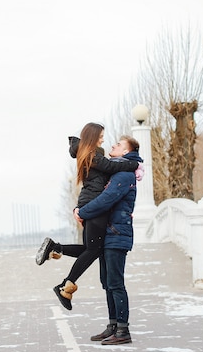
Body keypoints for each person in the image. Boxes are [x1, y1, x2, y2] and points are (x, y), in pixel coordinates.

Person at [35, 123, 141, 311]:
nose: (103, 139)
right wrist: (134, 164)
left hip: (89, 203)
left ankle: (55, 249)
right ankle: (65, 285)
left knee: (90, 248)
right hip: (94, 205)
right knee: (93, 250)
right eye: (100, 136)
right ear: (92, 136)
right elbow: (109, 166)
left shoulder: (90, 152)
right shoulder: (91, 154)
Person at [74, 135, 141, 345]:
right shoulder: (117, 171)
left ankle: (123, 331)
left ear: (126, 152)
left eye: (119, 145)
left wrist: (82, 212)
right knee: (107, 282)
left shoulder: (124, 174)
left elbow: (106, 199)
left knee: (115, 283)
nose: (113, 145)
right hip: (109, 233)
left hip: (117, 234)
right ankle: (113, 325)